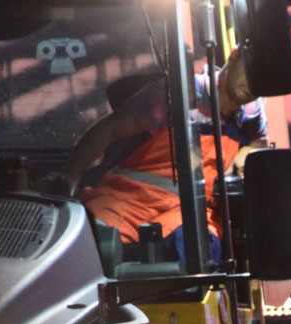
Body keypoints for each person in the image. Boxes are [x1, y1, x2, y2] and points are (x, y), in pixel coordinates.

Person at [52, 51, 263, 265]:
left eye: (263, 79)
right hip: (129, 199)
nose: (255, 84)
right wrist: (68, 179)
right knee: (92, 247)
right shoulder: (176, 93)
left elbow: (260, 143)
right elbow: (110, 129)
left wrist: (249, 151)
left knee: (197, 249)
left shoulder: (250, 116)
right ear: (234, 57)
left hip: (188, 208)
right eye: (251, 71)